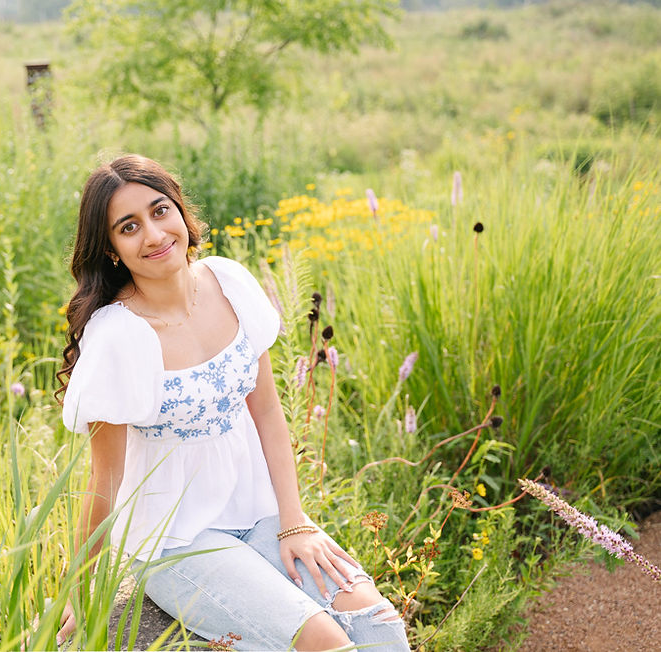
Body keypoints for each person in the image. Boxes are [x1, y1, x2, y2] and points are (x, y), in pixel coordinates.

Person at [55, 154, 409, 651]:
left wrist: (294, 522)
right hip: (176, 541)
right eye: (129, 227)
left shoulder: (228, 283)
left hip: (259, 512)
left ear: (180, 211)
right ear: (111, 249)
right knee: (325, 642)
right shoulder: (118, 338)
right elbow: (105, 480)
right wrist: (79, 585)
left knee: (378, 624)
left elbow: (266, 411)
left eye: (160, 212)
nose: (154, 235)